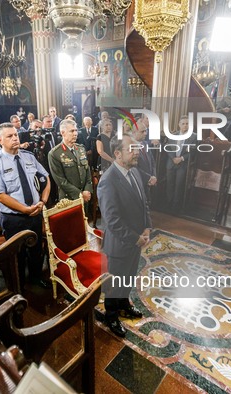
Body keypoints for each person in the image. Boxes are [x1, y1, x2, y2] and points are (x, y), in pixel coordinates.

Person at [97, 134, 151, 338]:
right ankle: (111, 315)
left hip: (136, 241)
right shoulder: (108, 180)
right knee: (114, 284)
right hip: (120, 244)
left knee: (127, 278)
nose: (136, 152)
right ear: (117, 154)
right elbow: (112, 220)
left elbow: (144, 203)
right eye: (132, 149)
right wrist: (135, 238)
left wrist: (147, 227)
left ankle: (123, 306)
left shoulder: (135, 172)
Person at [0, 123, 51, 289]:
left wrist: (43, 201)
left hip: (35, 212)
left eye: (15, 135)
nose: (15, 138)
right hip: (13, 217)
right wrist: (25, 209)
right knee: (17, 254)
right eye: (9, 136)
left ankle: (36, 277)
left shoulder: (28, 156)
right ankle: (19, 284)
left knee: (36, 249)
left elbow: (46, 177)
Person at [48, 119, 92, 203]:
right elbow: (61, 181)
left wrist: (87, 189)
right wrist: (80, 194)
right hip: (69, 199)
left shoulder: (81, 149)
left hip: (85, 197)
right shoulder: (54, 154)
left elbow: (87, 170)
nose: (75, 134)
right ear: (62, 133)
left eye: (76, 130)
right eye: (72, 131)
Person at [165, 116, 196, 210]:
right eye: (183, 124)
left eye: (187, 124)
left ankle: (175, 205)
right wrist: (173, 158)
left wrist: (181, 158)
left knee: (179, 185)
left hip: (183, 164)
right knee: (169, 184)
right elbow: (168, 148)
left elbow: (194, 151)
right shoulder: (173, 135)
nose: (185, 126)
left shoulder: (194, 136)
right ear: (179, 125)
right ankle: (168, 203)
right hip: (171, 163)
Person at [131, 120, 157, 203]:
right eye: (142, 131)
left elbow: (152, 162)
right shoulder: (129, 145)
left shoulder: (145, 143)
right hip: (137, 182)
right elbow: (133, 167)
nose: (145, 133)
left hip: (148, 182)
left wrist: (153, 176)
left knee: (146, 205)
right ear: (134, 132)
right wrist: (148, 178)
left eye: (146, 131)